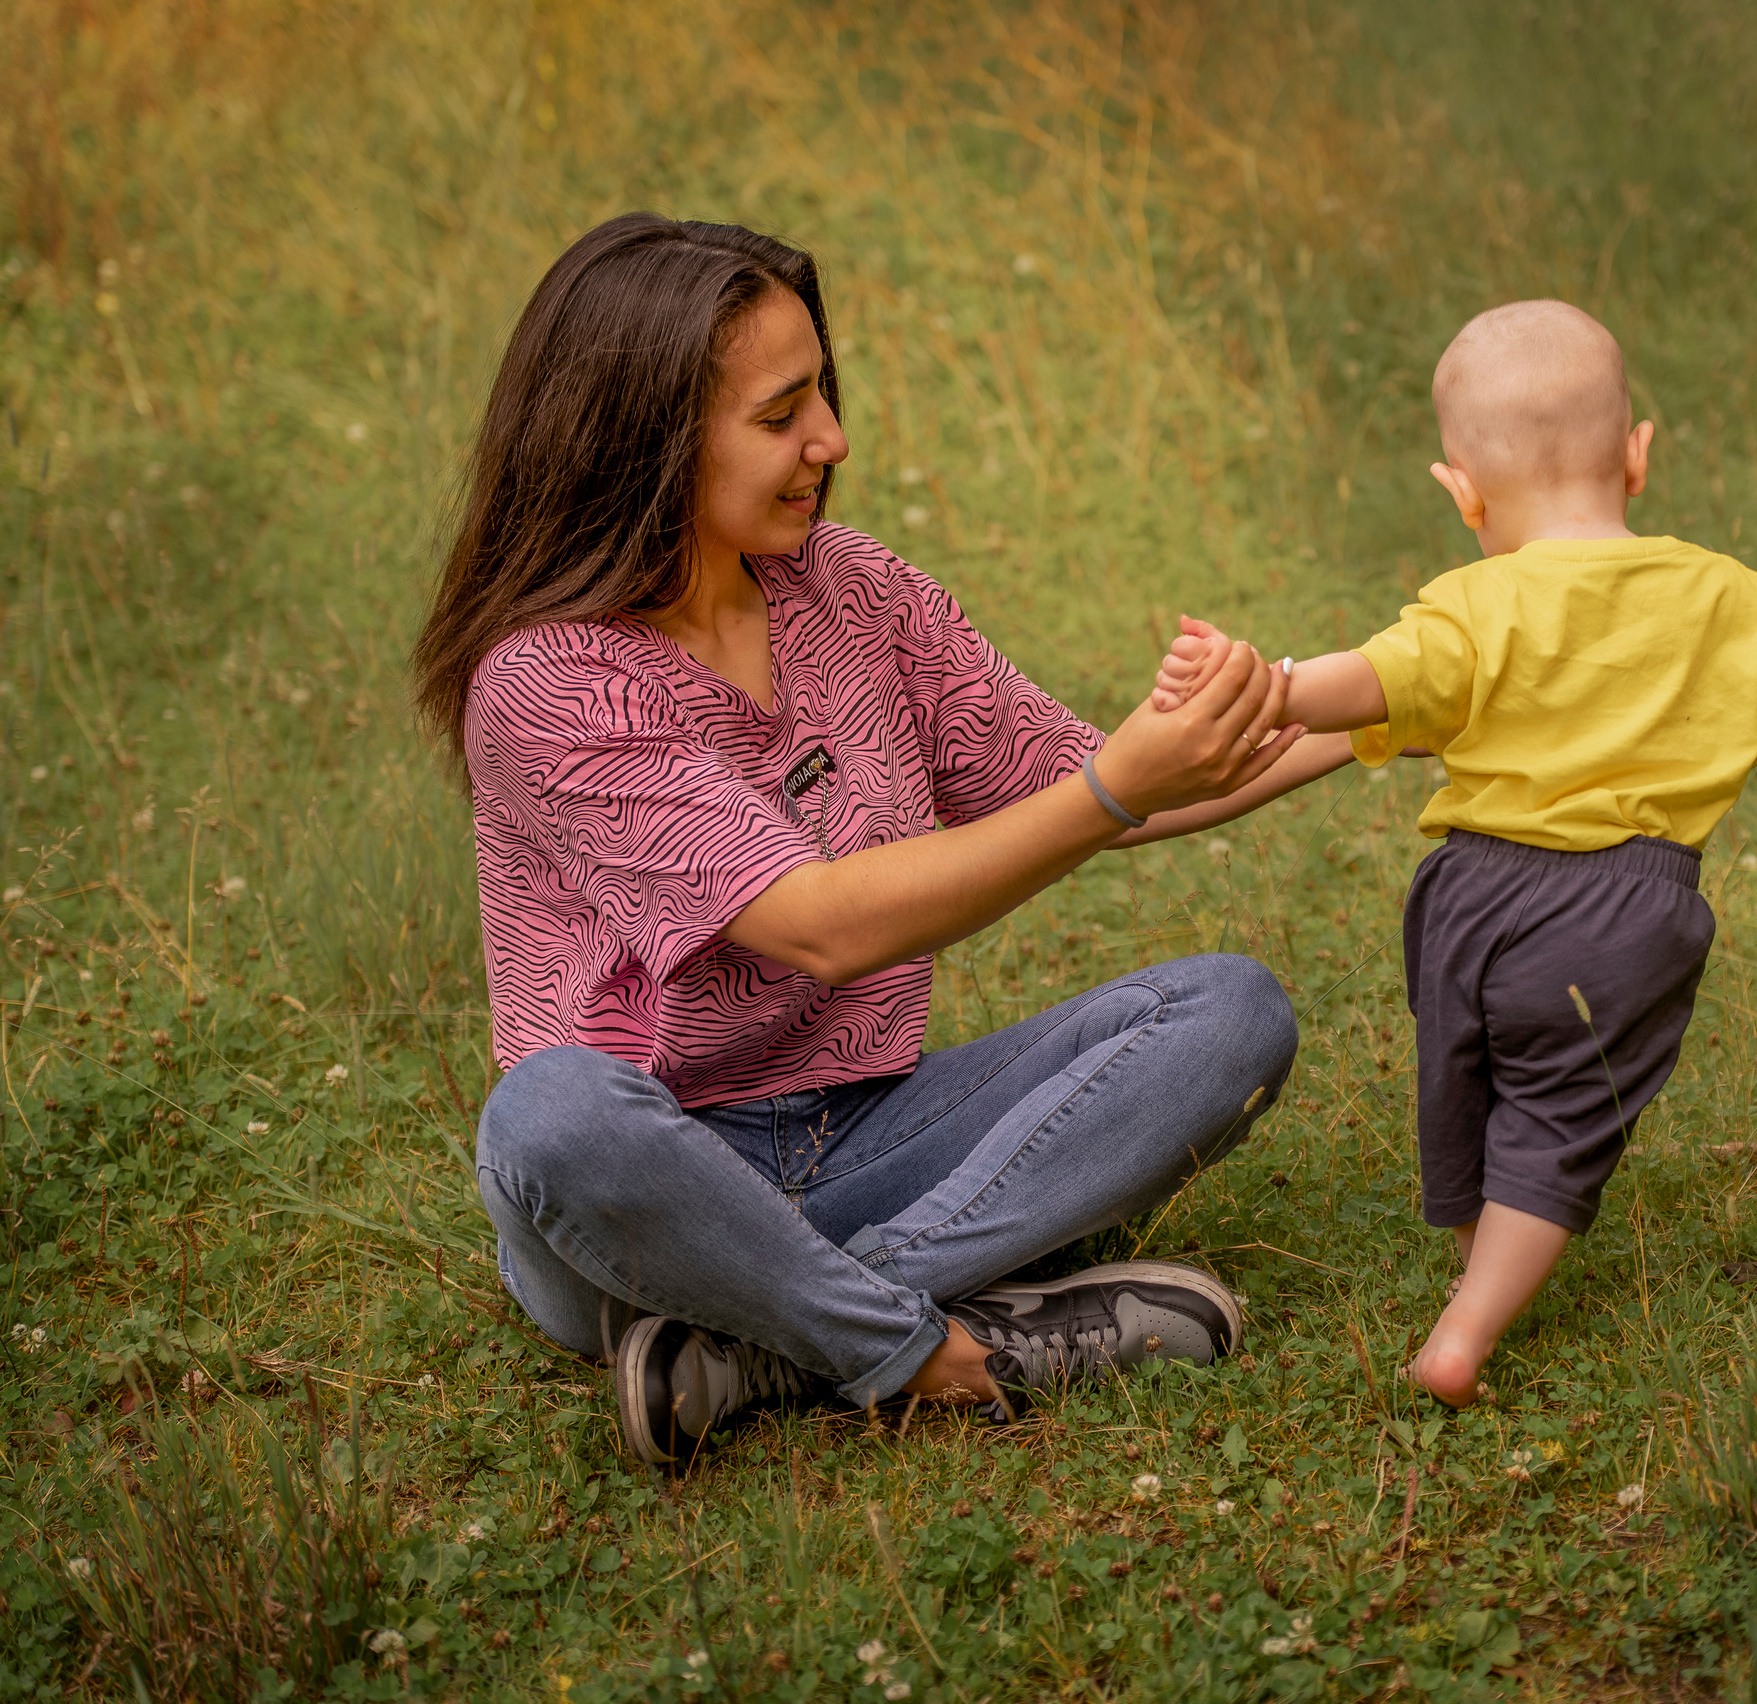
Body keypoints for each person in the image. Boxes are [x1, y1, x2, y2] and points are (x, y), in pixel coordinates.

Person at [409, 213, 1315, 1463]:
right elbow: (820, 926)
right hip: (646, 1203)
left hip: (868, 1133)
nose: (830, 440)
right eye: (781, 415)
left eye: (822, 395)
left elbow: (1087, 778)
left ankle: (772, 1344)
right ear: (643, 440)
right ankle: (941, 1345)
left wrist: (1409, 698)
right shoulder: (547, 682)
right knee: (548, 1115)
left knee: (1228, 1013)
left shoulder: (851, 588)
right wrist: (1114, 787)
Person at [1153, 300, 1757, 1406]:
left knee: (1465, 1077)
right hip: (1623, 910)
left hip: (1467, 893)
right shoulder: (1725, 597)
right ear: (1637, 455)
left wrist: (1265, 686)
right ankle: (1466, 1332)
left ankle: (1479, 1256)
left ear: (1462, 491)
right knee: (1559, 1114)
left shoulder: (1474, 603)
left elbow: (1370, 681)